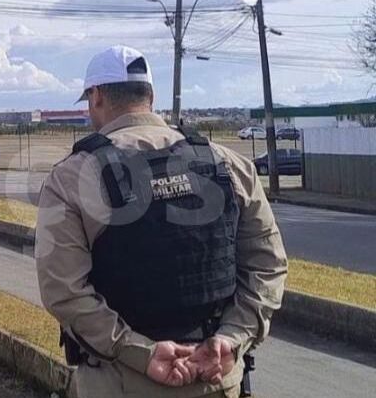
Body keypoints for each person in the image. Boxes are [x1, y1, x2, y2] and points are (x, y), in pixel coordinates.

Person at [35, 46, 287, 398]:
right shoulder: (228, 163)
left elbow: (63, 291)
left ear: (96, 97)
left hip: (121, 384)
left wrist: (141, 352)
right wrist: (231, 339)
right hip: (217, 379)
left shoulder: (70, 177)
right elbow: (268, 266)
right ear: (151, 96)